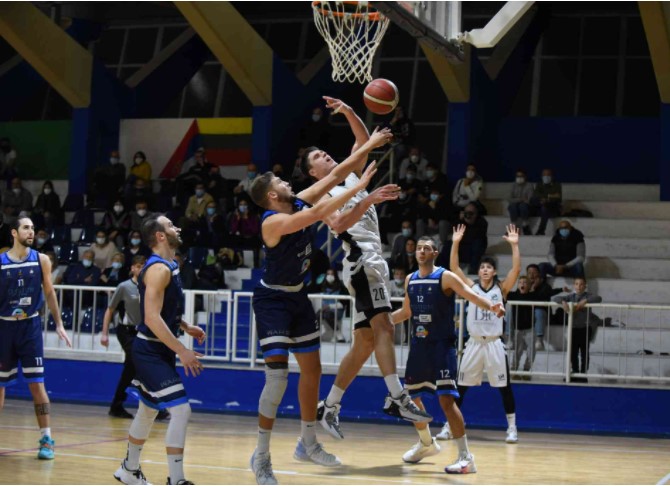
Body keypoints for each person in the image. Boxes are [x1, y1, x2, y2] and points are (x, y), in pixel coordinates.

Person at [248, 126, 397, 484]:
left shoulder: (297, 200)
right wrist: (362, 190)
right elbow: (316, 216)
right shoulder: (274, 221)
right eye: (282, 182)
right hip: (272, 301)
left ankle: (308, 442)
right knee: (277, 378)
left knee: (312, 371)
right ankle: (262, 454)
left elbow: (334, 174)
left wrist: (371, 144)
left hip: (298, 296)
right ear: (272, 194)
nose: (288, 183)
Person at [300, 97, 432, 442]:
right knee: (385, 327)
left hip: (373, 261)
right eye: (318, 158)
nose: (326, 157)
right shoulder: (320, 196)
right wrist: (370, 199)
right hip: (362, 263)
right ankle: (396, 396)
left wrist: (348, 111)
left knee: (365, 343)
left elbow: (362, 142)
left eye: (325, 153)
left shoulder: (348, 177)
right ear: (313, 173)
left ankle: (328, 407)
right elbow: (340, 221)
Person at [392, 235, 505, 472]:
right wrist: (379, 323)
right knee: (412, 398)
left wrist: (491, 306)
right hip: (419, 347)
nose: (421, 251)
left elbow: (471, 294)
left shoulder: (445, 276)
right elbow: (406, 311)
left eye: (427, 248)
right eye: (419, 248)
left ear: (435, 253)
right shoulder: (411, 279)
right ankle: (425, 443)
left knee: (446, 400)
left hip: (442, 346)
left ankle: (466, 457)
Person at [113, 216, 206, 486]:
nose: (177, 227)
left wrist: (185, 326)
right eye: (171, 225)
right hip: (149, 350)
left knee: (147, 411)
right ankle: (176, 480)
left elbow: (163, 310)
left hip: (158, 349)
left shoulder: (170, 265)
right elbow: (151, 318)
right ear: (161, 236)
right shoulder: (158, 270)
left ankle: (128, 470)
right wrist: (183, 351)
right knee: (181, 410)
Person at [0, 217, 72, 460]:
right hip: (4, 327)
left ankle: (46, 438)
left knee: (37, 385)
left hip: (30, 327)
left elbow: (50, 292)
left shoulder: (41, 259)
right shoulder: (1, 262)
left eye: (32, 228)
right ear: (14, 232)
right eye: (26, 227)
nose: (31, 232)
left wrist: (59, 324)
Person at [449, 224, 521, 443]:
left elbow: (516, 270)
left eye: (489, 267)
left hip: (494, 344)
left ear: (494, 272)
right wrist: (455, 242)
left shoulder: (502, 289)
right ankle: (449, 426)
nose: (485, 270)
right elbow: (454, 268)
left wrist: (515, 246)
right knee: (460, 386)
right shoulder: (471, 287)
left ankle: (512, 427)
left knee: (504, 387)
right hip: (473, 343)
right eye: (482, 267)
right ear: (479, 271)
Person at [101, 255, 145, 418]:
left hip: (143, 332)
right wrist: (104, 333)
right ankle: (154, 406)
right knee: (136, 360)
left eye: (144, 266)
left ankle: (117, 405)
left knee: (131, 368)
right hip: (126, 331)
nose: (141, 269)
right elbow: (110, 310)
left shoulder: (150, 287)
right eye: (139, 266)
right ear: (132, 268)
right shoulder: (124, 287)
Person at [551, 277, 602, 383]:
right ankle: (575, 371)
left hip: (585, 328)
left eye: (581, 284)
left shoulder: (588, 296)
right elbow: (554, 298)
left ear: (585, 286)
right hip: (573, 329)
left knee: (584, 352)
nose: (579, 286)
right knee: (573, 352)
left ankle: (583, 373)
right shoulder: (571, 297)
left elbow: (599, 298)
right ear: (574, 286)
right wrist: (563, 302)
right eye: (577, 284)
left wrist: (586, 301)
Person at [506, 276, 536, 372]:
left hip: (529, 328)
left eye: (525, 282)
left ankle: (526, 369)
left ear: (529, 286)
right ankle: (514, 369)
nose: (522, 284)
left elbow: (547, 294)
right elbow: (502, 292)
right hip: (517, 329)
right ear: (518, 285)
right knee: (517, 351)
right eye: (520, 282)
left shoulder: (533, 296)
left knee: (532, 351)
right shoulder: (513, 295)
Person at [531, 168, 562, 235]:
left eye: (548, 175)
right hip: (540, 207)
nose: (546, 177)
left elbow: (558, 198)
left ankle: (541, 230)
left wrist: (546, 199)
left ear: (552, 176)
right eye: (544, 175)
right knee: (535, 203)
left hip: (553, 208)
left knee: (545, 208)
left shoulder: (557, 185)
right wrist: (550, 196)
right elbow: (536, 195)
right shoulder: (539, 184)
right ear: (541, 176)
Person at [507, 169, 534, 235]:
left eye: (521, 176)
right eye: (518, 176)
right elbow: (509, 199)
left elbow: (530, 199)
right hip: (515, 206)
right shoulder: (513, 185)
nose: (519, 178)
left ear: (525, 177)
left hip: (525, 207)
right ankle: (513, 226)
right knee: (513, 205)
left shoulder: (529, 185)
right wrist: (521, 199)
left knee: (523, 206)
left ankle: (525, 225)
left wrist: (519, 200)